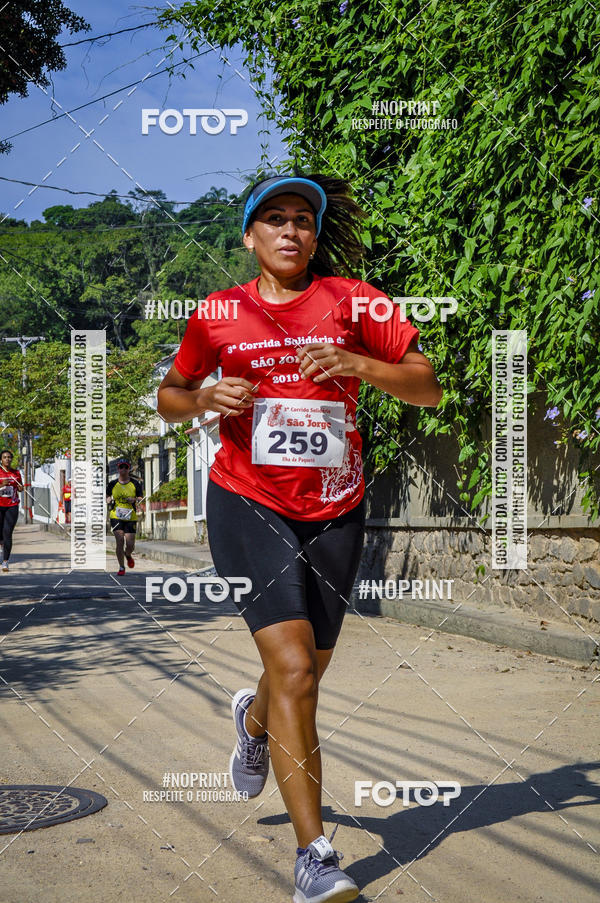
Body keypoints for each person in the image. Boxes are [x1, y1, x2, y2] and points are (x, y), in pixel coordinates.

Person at [157, 174, 442, 903]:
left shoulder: (356, 301)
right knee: (293, 668)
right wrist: (204, 396)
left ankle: (252, 723)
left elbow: (427, 385)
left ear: (314, 236)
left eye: (303, 220)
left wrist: (357, 363)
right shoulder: (218, 312)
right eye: (275, 218)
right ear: (249, 235)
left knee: (305, 671)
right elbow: (169, 398)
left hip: (335, 507)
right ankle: (315, 855)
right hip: (247, 501)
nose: (291, 230)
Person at [106, 458, 143, 577]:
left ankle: (128, 554)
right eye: (121, 467)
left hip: (130, 516)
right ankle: (121, 566)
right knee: (120, 540)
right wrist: (108, 500)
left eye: (125, 467)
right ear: (118, 469)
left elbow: (140, 498)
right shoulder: (112, 484)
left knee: (130, 544)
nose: (123, 469)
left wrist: (134, 499)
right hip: (116, 515)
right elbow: (107, 495)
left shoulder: (135, 483)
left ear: (128, 469)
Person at [0, 449, 24, 572]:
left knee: (7, 533)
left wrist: (20, 488)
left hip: (12, 505)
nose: (7, 459)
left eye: (9, 457)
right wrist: (1, 485)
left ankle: (5, 561)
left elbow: (20, 487)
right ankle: (1, 542)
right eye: (4, 457)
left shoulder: (16, 473)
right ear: (1, 460)